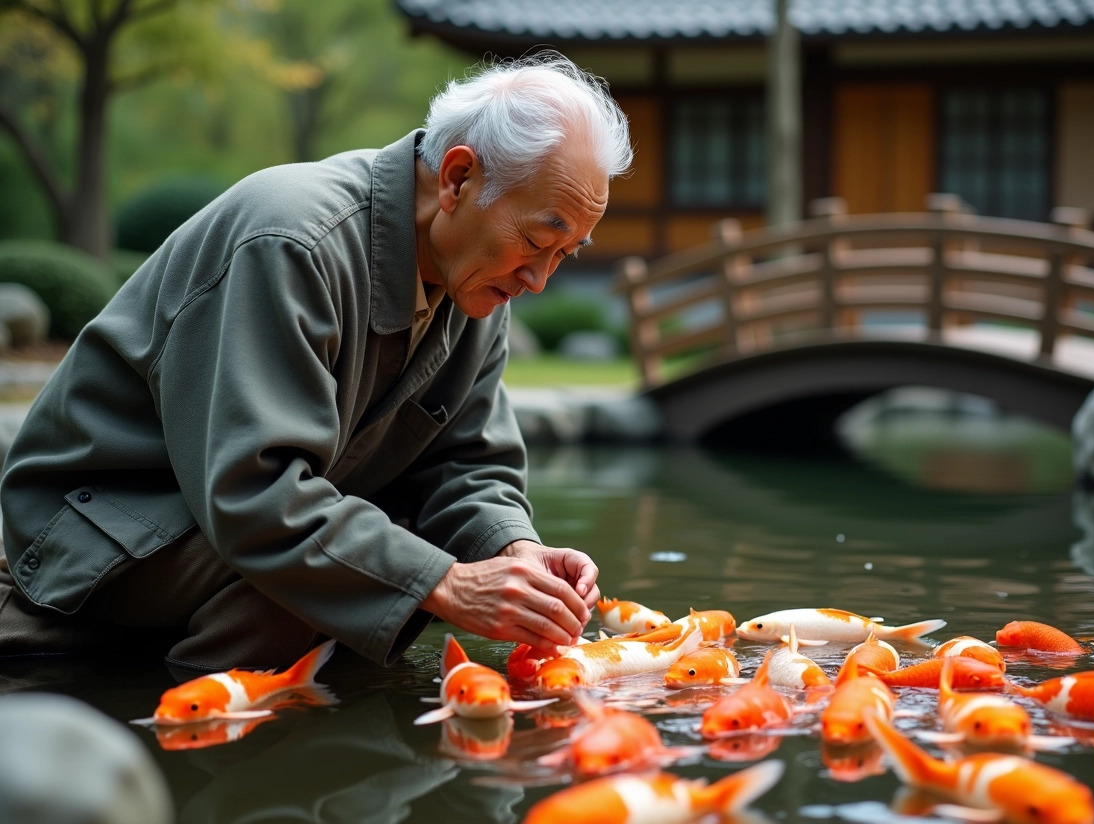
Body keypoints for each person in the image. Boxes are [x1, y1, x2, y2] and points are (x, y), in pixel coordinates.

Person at [0, 51, 633, 670]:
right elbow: (254, 491)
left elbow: (468, 461)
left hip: (223, 518)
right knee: (381, 566)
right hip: (101, 522)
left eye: (565, 254)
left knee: (409, 555)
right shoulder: (290, 242)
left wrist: (515, 551)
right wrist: (448, 583)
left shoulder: (479, 282)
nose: (540, 280)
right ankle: (176, 729)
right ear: (458, 179)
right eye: (537, 242)